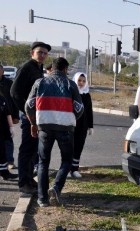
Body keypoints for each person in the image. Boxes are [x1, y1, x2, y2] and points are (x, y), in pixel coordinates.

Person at [25, 57, 84, 207]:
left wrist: (33, 123)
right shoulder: (70, 84)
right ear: (65, 69)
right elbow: (79, 108)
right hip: (65, 129)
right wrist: (70, 119)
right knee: (67, 160)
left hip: (44, 127)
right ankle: (56, 188)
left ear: (52, 68)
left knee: (43, 162)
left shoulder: (40, 83)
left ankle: (42, 199)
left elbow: (28, 106)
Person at [10, 41, 51, 195]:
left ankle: (29, 179)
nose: (42, 55)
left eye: (45, 53)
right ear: (32, 53)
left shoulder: (38, 68)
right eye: (39, 52)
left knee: (34, 149)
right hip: (29, 116)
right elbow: (14, 92)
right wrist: (26, 110)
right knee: (27, 149)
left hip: (37, 115)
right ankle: (23, 183)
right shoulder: (27, 68)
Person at [68, 72, 93, 179]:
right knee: (69, 147)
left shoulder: (87, 94)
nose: (81, 83)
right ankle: (67, 169)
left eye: (83, 81)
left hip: (82, 126)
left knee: (78, 147)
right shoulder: (70, 92)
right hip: (71, 124)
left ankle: (74, 169)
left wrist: (90, 126)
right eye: (79, 80)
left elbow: (89, 111)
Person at [0, 64, 19, 170]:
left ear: (2, 71)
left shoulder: (8, 83)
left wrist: (16, 116)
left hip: (7, 116)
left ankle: (10, 161)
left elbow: (14, 100)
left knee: (8, 139)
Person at [0, 93, 18, 180]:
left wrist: (11, 127)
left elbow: (8, 113)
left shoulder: (2, 98)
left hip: (3, 130)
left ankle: (4, 173)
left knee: (3, 152)